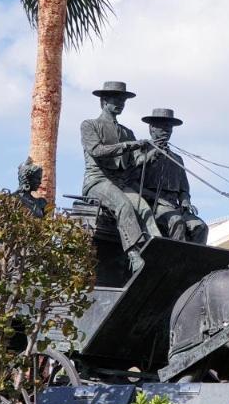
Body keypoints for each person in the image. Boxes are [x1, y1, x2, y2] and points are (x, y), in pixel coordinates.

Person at [80, 81, 153, 272]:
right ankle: (133, 254)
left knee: (144, 208)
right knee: (124, 205)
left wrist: (153, 152)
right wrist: (128, 146)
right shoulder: (90, 125)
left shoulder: (127, 132)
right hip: (97, 181)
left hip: (119, 184)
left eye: (123, 100)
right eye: (115, 99)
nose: (120, 103)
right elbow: (97, 150)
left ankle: (154, 249)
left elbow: (137, 161)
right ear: (104, 101)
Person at [137, 108, 208, 244]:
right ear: (151, 128)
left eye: (169, 127)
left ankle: (194, 262)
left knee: (201, 226)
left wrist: (185, 201)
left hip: (175, 205)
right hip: (153, 204)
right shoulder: (141, 153)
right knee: (176, 222)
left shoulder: (177, 159)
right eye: (162, 126)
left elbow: (184, 190)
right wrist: (157, 200)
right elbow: (132, 184)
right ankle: (176, 260)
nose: (167, 130)